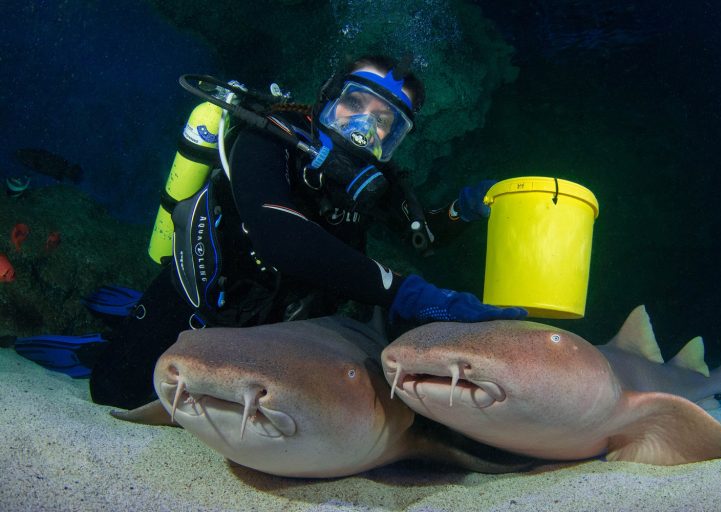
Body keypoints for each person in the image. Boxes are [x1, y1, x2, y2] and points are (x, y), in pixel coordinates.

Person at [18, 55, 527, 409]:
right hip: (201, 306)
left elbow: (425, 237)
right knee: (115, 391)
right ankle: (109, 336)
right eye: (355, 104)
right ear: (327, 99)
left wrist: (465, 208)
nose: (364, 128)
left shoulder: (373, 183)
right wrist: (404, 291)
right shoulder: (265, 137)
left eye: (385, 122)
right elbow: (280, 235)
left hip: (287, 331)